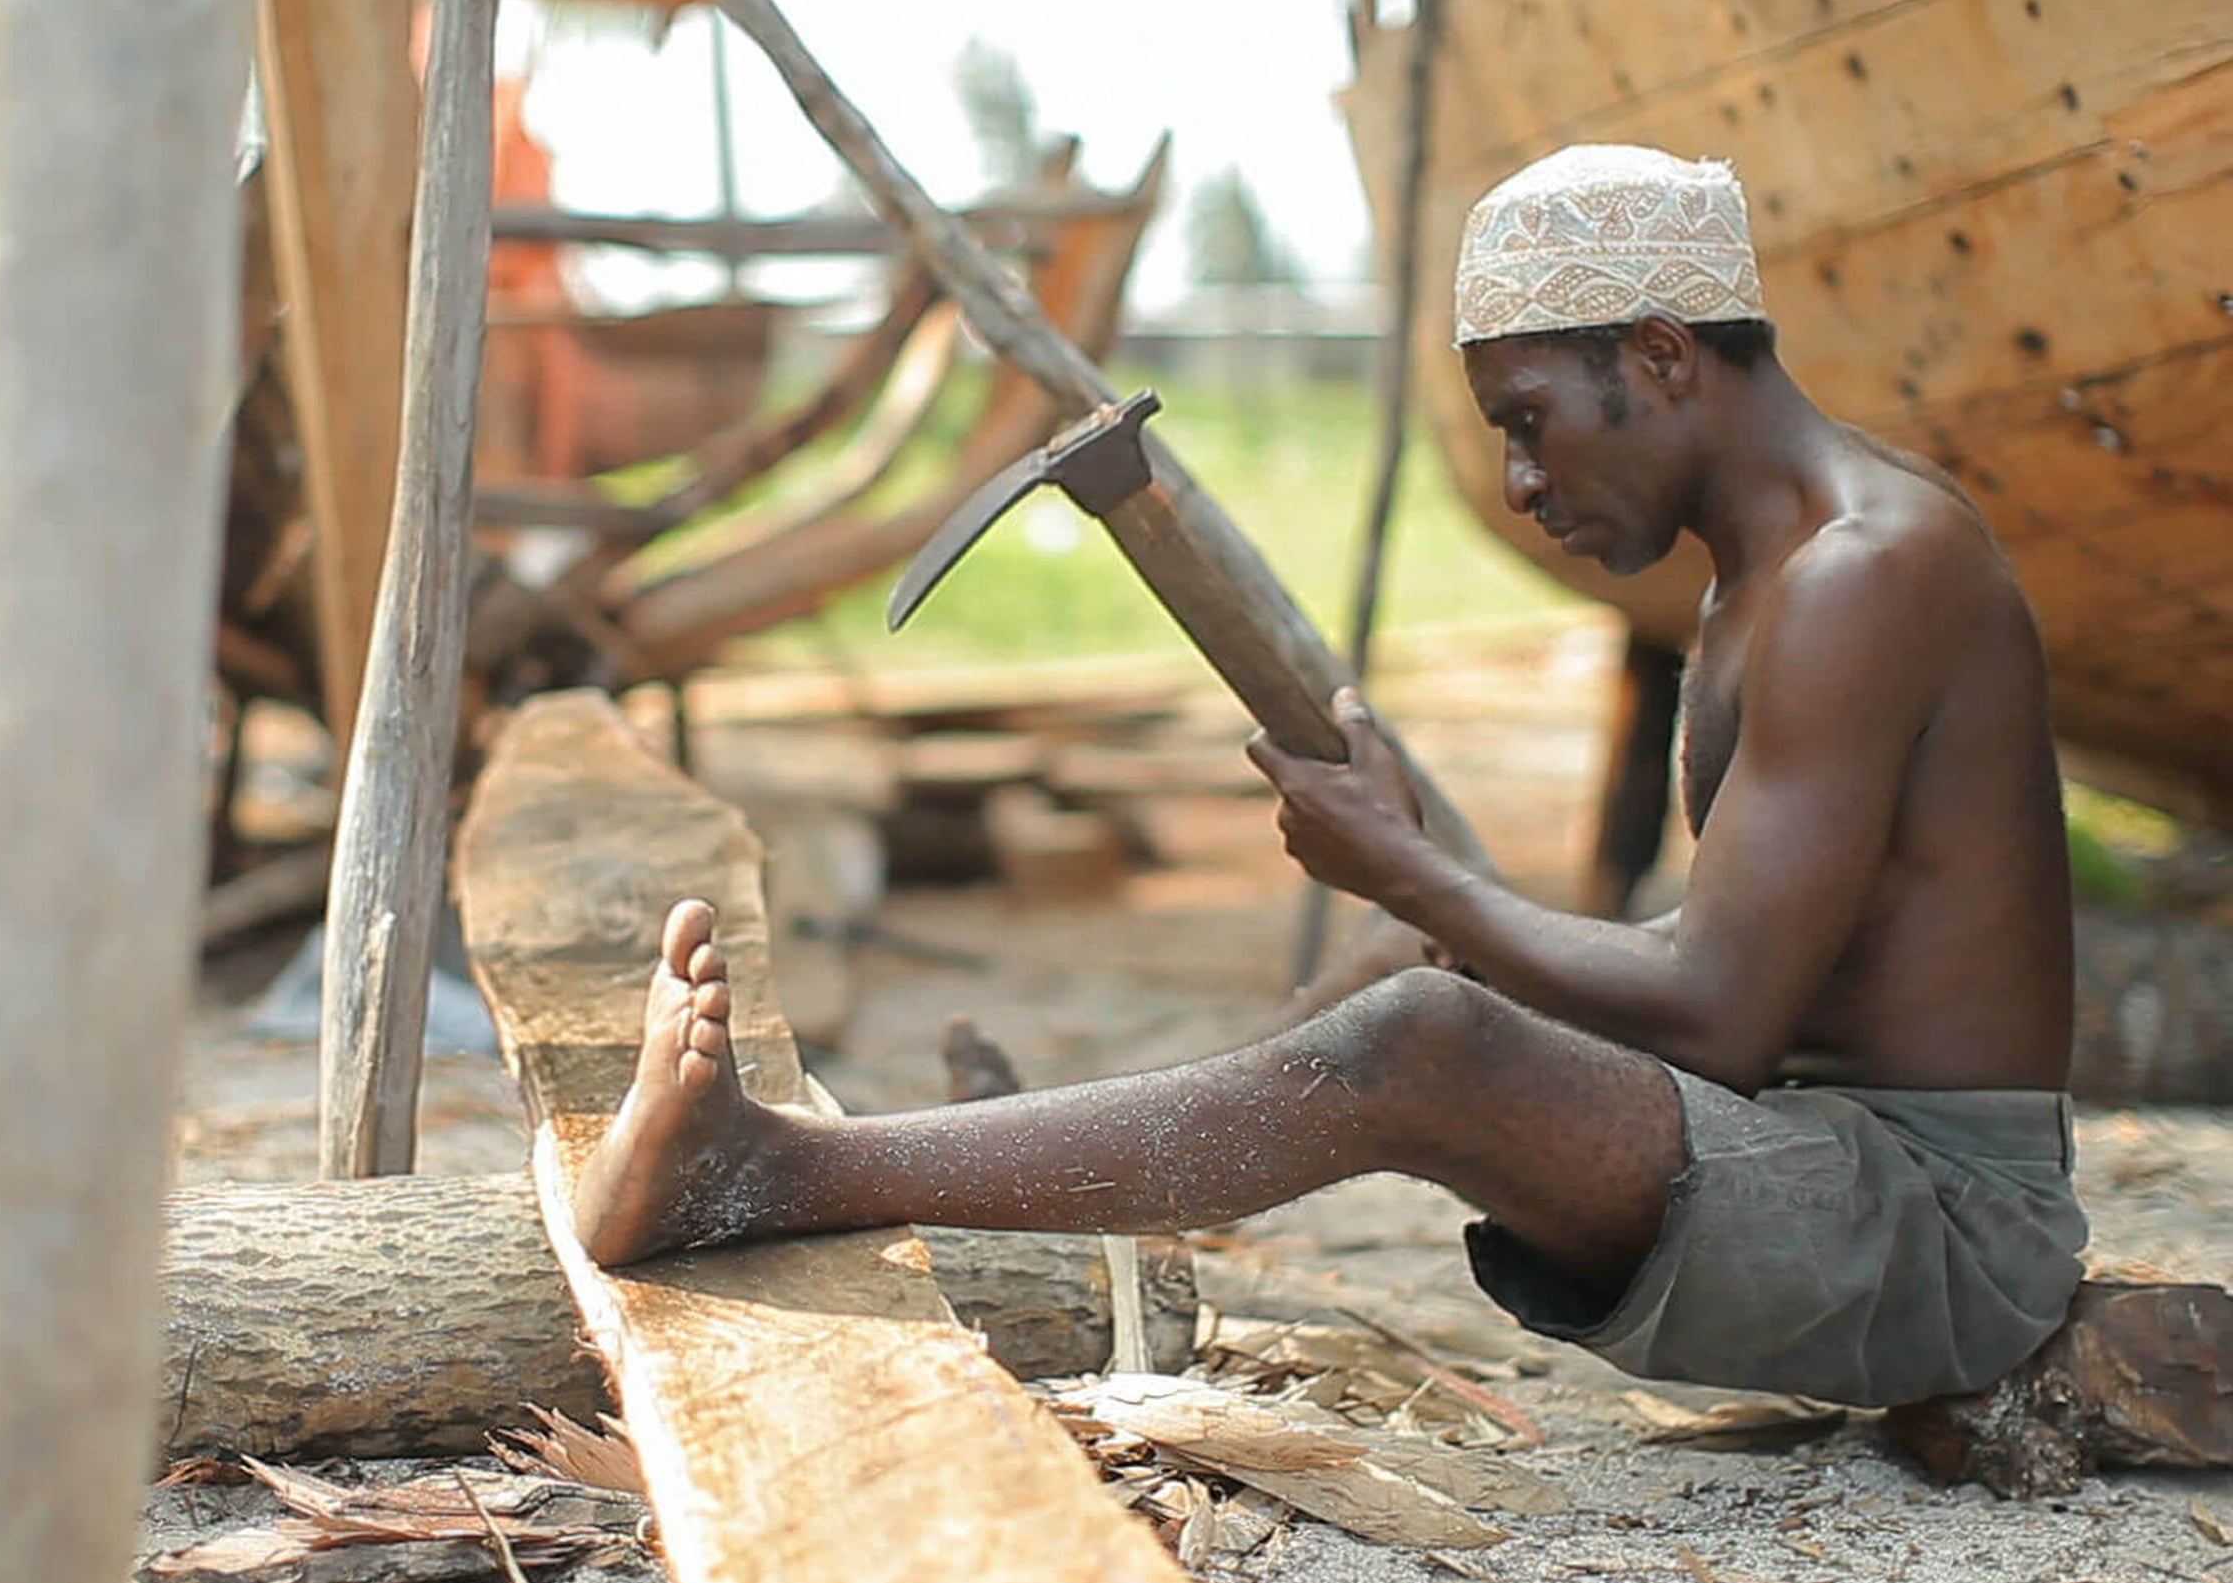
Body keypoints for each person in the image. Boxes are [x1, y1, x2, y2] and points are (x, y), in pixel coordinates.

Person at [568, 145, 2087, 1409]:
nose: (1523, 483)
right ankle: (1093, 1175)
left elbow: (1722, 1012)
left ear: (1664, 357)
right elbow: (1737, 1004)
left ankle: (764, 1177)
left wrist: (1418, 870)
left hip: (1942, 1234)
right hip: (1831, 1162)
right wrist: (1433, 897)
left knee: (1423, 1034)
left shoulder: (1863, 576)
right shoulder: (1768, 570)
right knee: (1416, 961)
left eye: (1533, 425)